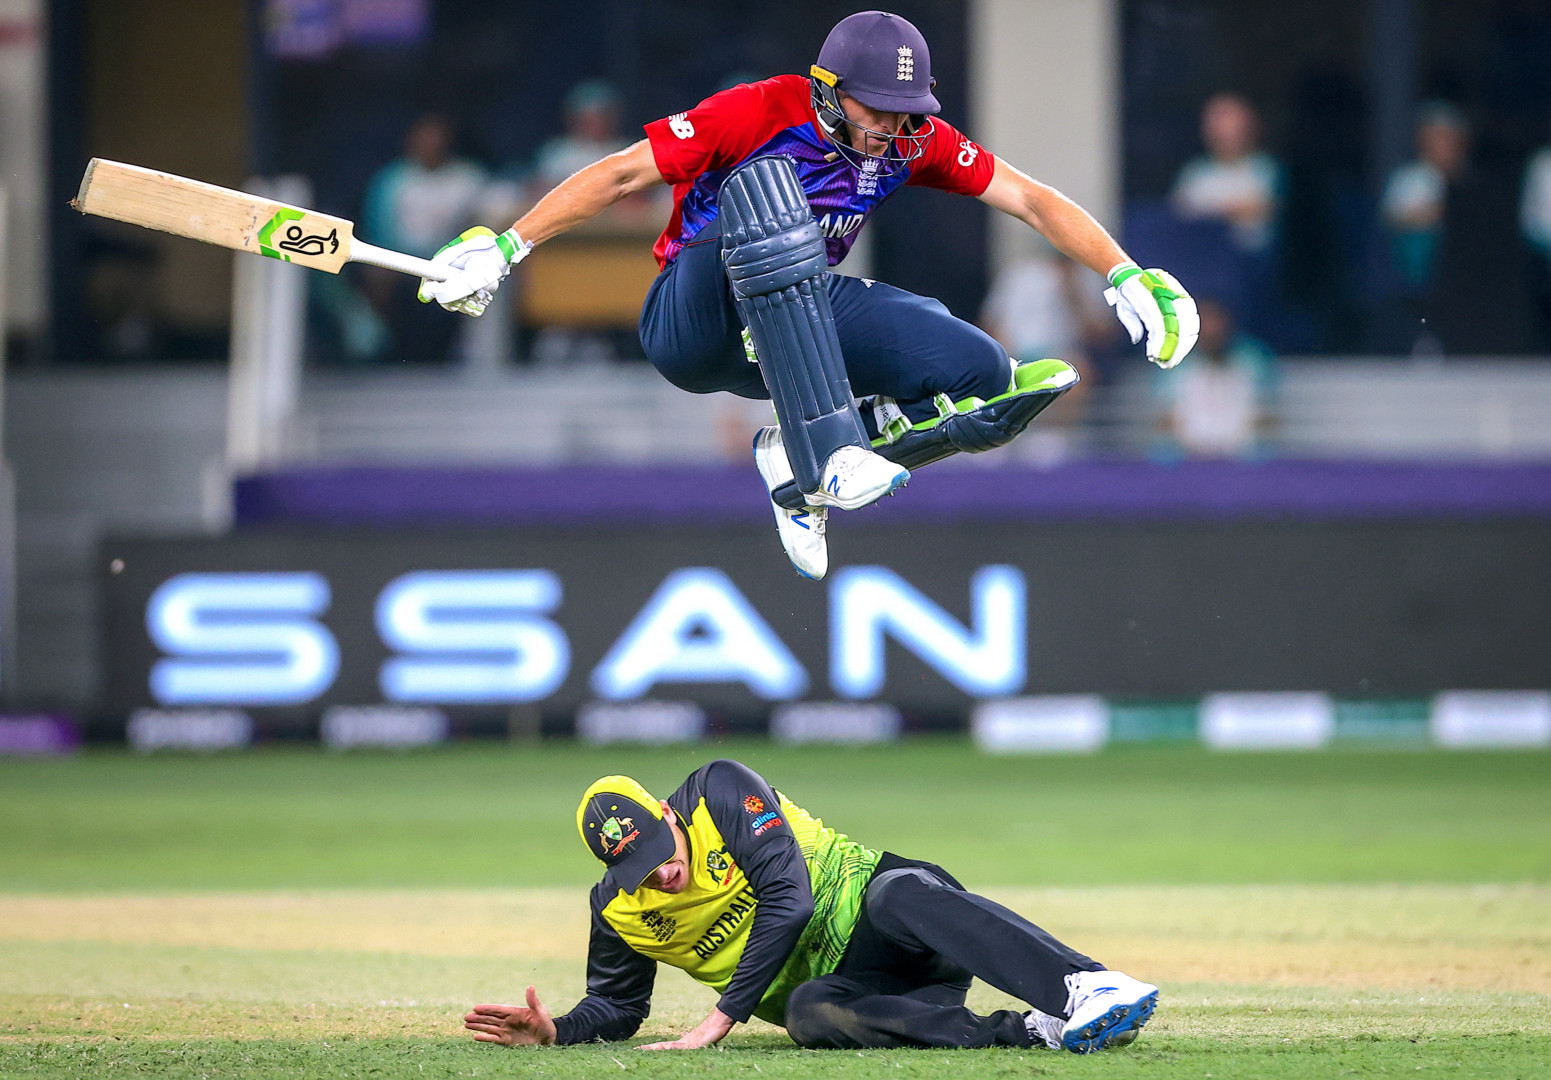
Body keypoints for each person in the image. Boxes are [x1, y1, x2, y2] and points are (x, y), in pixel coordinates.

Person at [416, 10, 1199, 577]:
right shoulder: (759, 109)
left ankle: (795, 462)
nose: (892, 128)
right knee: (766, 200)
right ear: (827, 90)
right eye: (874, 109)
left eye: (905, 112)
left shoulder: (914, 138)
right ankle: (832, 452)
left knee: (980, 371)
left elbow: (1029, 198)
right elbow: (621, 172)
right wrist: (506, 244)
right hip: (695, 319)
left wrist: (1122, 271)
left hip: (794, 325)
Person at [463, 759, 1159, 1054]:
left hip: (894, 922)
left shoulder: (718, 792)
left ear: (665, 813)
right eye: (641, 870)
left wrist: (721, 1016)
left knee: (900, 892)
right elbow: (617, 1007)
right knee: (805, 1015)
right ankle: (1036, 1033)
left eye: (662, 849)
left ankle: (1084, 985)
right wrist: (560, 1031)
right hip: (863, 993)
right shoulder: (616, 910)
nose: (664, 873)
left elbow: (788, 902)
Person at [1171, 92, 1281, 254]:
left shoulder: (1267, 169)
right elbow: (1179, 215)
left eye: (1231, 123)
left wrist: (1213, 211)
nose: (1224, 131)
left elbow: (1266, 210)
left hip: (1254, 261)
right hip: (1201, 256)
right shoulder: (1194, 172)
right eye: (1217, 122)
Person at [1381, 103, 1469, 294]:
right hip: (1415, 268)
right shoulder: (1409, 177)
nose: (1450, 147)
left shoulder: (1462, 184)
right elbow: (1391, 219)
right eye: (1442, 139)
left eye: (1455, 141)